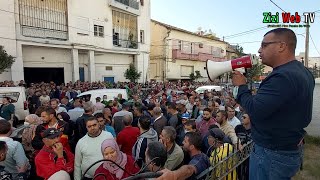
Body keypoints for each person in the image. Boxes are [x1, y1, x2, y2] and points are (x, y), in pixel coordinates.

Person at [232, 28, 315, 179]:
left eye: (264, 45)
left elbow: (254, 110)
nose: (259, 50)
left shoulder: (282, 76)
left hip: (271, 153)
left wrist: (241, 86)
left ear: (281, 46)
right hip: (287, 147)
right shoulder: (303, 72)